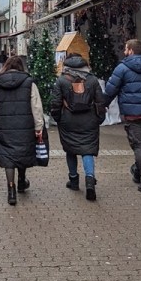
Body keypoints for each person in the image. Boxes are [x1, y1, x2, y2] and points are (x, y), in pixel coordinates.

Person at [104, 39, 141, 194]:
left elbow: (111, 89)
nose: (124, 52)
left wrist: (102, 104)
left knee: (139, 146)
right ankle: (137, 170)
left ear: (130, 50)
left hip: (132, 114)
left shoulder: (122, 68)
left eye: (125, 49)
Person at [50, 53, 107, 201]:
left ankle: (74, 180)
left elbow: (55, 103)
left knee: (71, 149)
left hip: (68, 120)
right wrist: (99, 118)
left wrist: (58, 119)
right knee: (87, 150)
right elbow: (100, 102)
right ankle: (89, 180)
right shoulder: (93, 80)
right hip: (89, 120)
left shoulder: (61, 81)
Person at [0, 56, 44, 206]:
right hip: (24, 125)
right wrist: (38, 126)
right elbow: (36, 106)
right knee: (22, 152)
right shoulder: (28, 82)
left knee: (8, 157)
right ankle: (21, 181)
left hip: (4, 125)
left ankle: (11, 189)